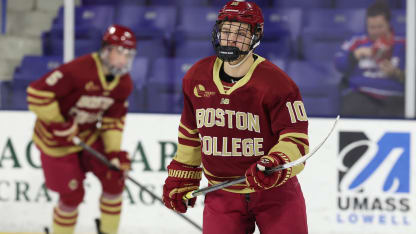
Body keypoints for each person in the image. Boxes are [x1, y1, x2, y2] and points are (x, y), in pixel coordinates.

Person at [162, 1, 309, 233]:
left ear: (256, 36)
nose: (230, 39)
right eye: (227, 31)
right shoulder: (196, 77)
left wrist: (276, 163)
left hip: (275, 194)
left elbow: (296, 140)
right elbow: (191, 134)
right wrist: (184, 176)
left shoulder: (278, 84)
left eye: (240, 33)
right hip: (221, 194)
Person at [26, 24, 136, 234]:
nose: (124, 59)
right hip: (55, 142)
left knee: (115, 178)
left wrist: (113, 154)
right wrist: (59, 123)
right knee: (72, 196)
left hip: (85, 136)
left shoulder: (123, 84)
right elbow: (36, 94)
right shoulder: (78, 71)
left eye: (129, 54)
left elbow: (113, 121)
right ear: (106, 49)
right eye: (119, 52)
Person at [334, 0, 406, 118]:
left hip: (394, 98)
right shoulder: (358, 41)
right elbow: (338, 63)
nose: (376, 31)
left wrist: (396, 73)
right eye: (371, 27)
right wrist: (356, 54)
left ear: (389, 23)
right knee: (352, 103)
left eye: (379, 27)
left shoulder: (403, 43)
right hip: (362, 95)